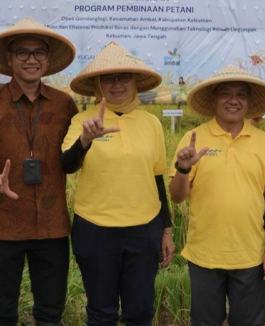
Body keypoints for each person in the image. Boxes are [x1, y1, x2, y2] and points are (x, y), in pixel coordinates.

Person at [0, 18, 78, 326]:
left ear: (48, 60)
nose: (31, 60)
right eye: (22, 52)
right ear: (9, 60)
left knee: (50, 312)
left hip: (52, 227)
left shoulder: (65, 105)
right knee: (1, 312)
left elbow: (77, 153)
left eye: (38, 53)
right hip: (2, 224)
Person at [60, 41, 175, 325]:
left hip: (144, 230)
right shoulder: (82, 121)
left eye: (123, 76)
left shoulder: (151, 124)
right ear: (98, 84)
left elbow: (157, 178)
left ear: (135, 81)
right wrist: (86, 139)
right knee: (101, 313)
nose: (116, 84)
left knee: (140, 312)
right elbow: (66, 165)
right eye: (108, 78)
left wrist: (167, 229)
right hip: (95, 229)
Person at [169, 65, 265, 326]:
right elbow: (177, 197)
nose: (234, 100)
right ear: (213, 99)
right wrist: (183, 168)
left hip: (250, 254)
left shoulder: (263, 141)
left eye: (241, 95)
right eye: (226, 94)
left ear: (249, 102)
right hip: (204, 255)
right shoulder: (193, 138)